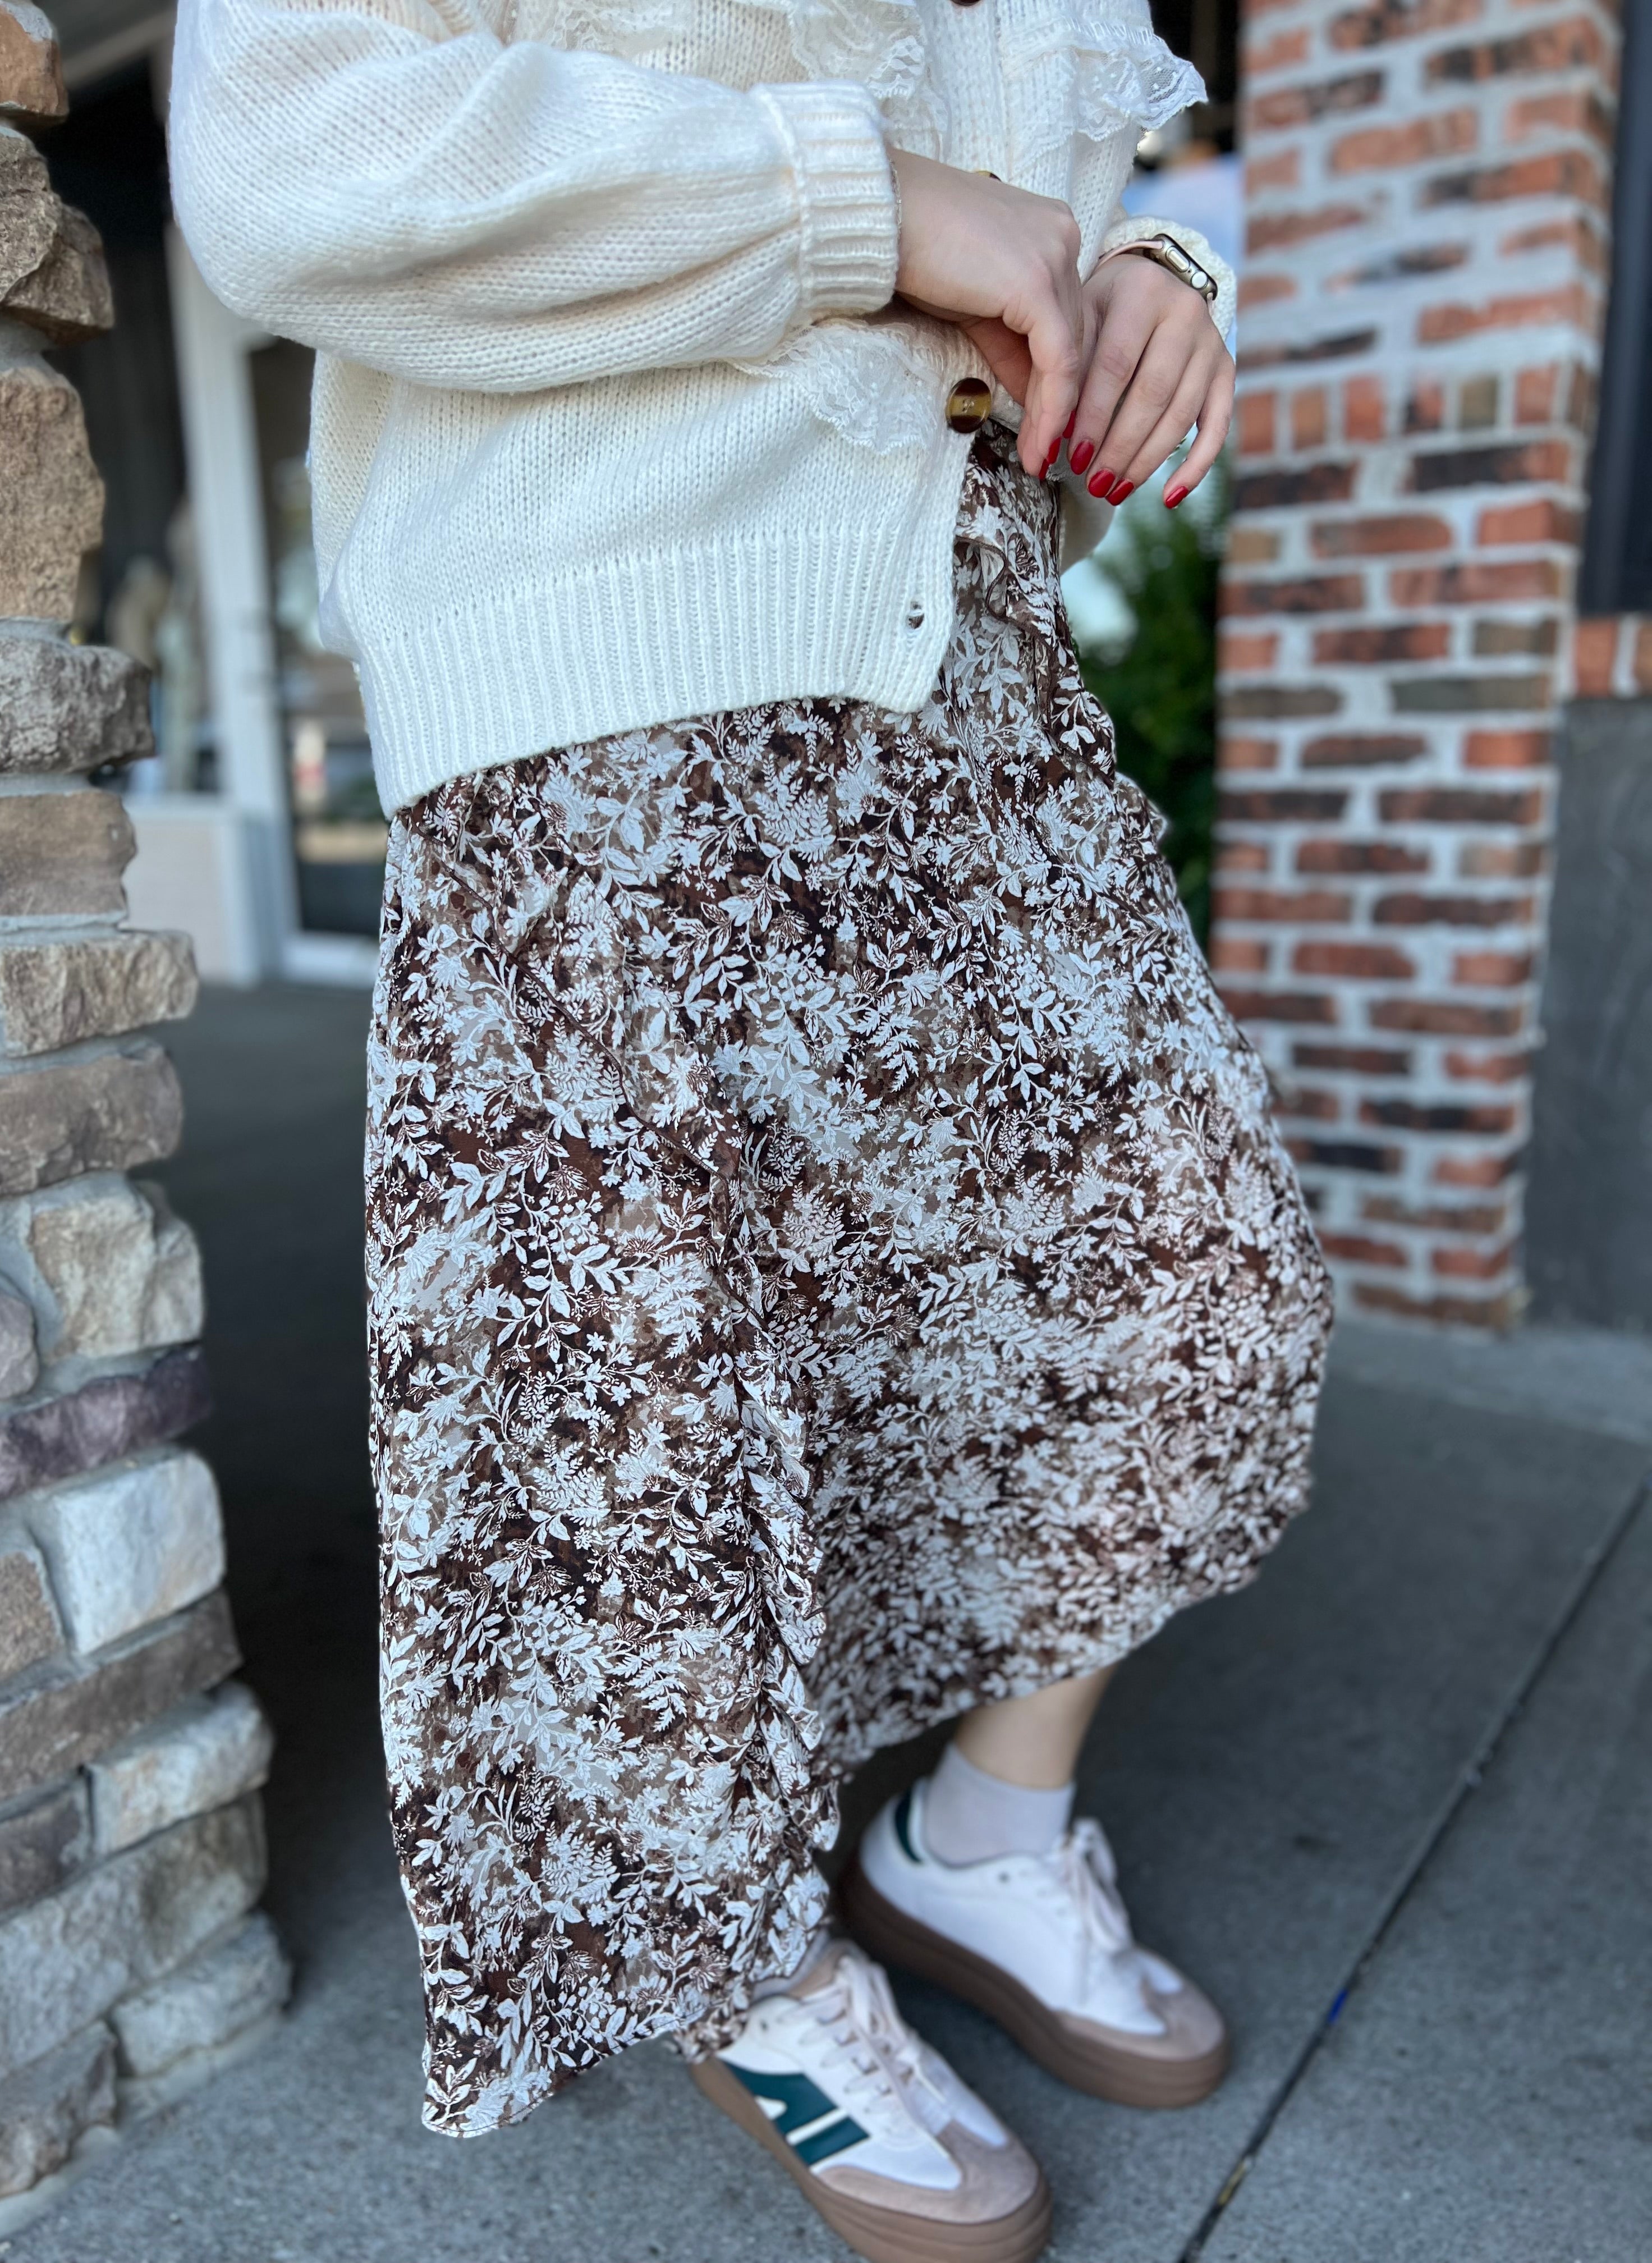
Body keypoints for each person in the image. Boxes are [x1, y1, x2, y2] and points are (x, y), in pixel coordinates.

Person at [171, 3, 1332, 2255]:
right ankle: (746, 1959)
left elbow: (1103, 131)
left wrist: (1176, 271)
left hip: (960, 660)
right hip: (598, 662)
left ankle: (981, 1846)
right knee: (660, 1427)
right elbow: (291, 141)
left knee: (1187, 1260)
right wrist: (879, 210)